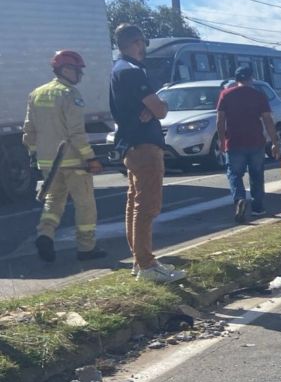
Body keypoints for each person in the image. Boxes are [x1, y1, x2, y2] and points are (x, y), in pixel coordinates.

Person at [109, 23, 185, 282]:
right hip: (144, 146)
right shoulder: (132, 71)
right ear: (134, 43)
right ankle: (146, 265)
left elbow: (149, 109)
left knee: (135, 204)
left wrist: (150, 109)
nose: (143, 47)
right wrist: (156, 107)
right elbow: (161, 109)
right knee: (147, 205)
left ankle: (140, 261)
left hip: (131, 143)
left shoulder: (119, 70)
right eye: (141, 42)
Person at [23, 50, 105, 263]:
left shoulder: (36, 93)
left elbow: (29, 130)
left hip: (48, 162)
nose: (81, 76)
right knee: (85, 204)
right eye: (79, 71)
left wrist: (33, 154)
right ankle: (86, 248)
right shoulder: (70, 94)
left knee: (53, 201)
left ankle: (45, 234)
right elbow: (76, 132)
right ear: (67, 70)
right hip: (74, 162)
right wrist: (91, 158)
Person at [217, 66, 281, 222]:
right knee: (257, 174)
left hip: (234, 142)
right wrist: (275, 142)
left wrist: (221, 141)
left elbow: (220, 120)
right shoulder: (259, 96)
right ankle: (258, 207)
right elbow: (268, 120)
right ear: (250, 78)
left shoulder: (225, 95)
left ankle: (239, 198)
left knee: (234, 174)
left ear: (236, 79)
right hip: (256, 142)